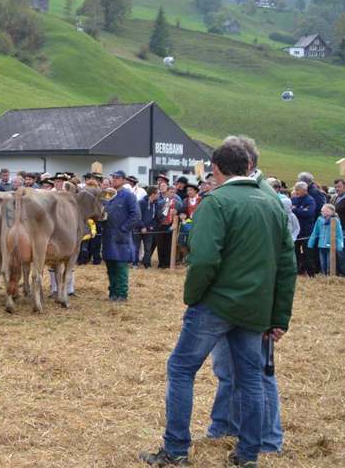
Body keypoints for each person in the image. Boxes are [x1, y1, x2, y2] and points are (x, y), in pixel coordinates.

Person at [139, 142, 296, 468]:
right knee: (250, 379)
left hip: (216, 304)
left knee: (181, 369)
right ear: (248, 164)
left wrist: (193, 297)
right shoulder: (272, 202)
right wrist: (279, 316)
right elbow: (287, 265)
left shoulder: (218, 202)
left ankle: (176, 450)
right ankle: (248, 454)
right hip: (255, 309)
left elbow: (205, 259)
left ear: (216, 168)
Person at [103, 170, 139, 301]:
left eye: (117, 178)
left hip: (121, 236)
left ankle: (122, 294)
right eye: (113, 177)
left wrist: (124, 228)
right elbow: (102, 209)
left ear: (123, 180)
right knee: (110, 265)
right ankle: (112, 292)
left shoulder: (128, 196)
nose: (114, 180)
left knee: (121, 265)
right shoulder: (107, 194)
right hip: (107, 235)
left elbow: (135, 215)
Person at [307, 203, 344, 276]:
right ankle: (324, 276)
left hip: (331, 245)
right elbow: (315, 232)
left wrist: (340, 245)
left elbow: (339, 234)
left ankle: (330, 276)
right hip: (321, 244)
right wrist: (311, 242)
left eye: (323, 211)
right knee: (323, 262)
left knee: (330, 262)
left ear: (329, 211)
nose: (321, 212)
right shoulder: (319, 219)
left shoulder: (335, 220)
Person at [290, 182, 317, 276]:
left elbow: (309, 213)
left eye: (298, 190)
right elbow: (289, 211)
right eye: (295, 189)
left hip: (306, 230)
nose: (296, 192)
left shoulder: (310, 200)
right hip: (295, 231)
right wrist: (301, 209)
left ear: (305, 191)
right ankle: (296, 271)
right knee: (295, 252)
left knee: (308, 253)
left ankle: (311, 273)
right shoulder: (293, 199)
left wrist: (295, 209)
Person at [137, 187, 160, 268]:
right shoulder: (141, 202)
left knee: (148, 248)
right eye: (157, 193)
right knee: (136, 246)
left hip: (149, 229)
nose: (158, 195)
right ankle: (134, 263)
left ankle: (147, 265)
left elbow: (156, 218)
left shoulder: (156, 204)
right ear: (153, 194)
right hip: (138, 228)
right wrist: (142, 226)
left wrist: (151, 227)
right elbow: (138, 216)